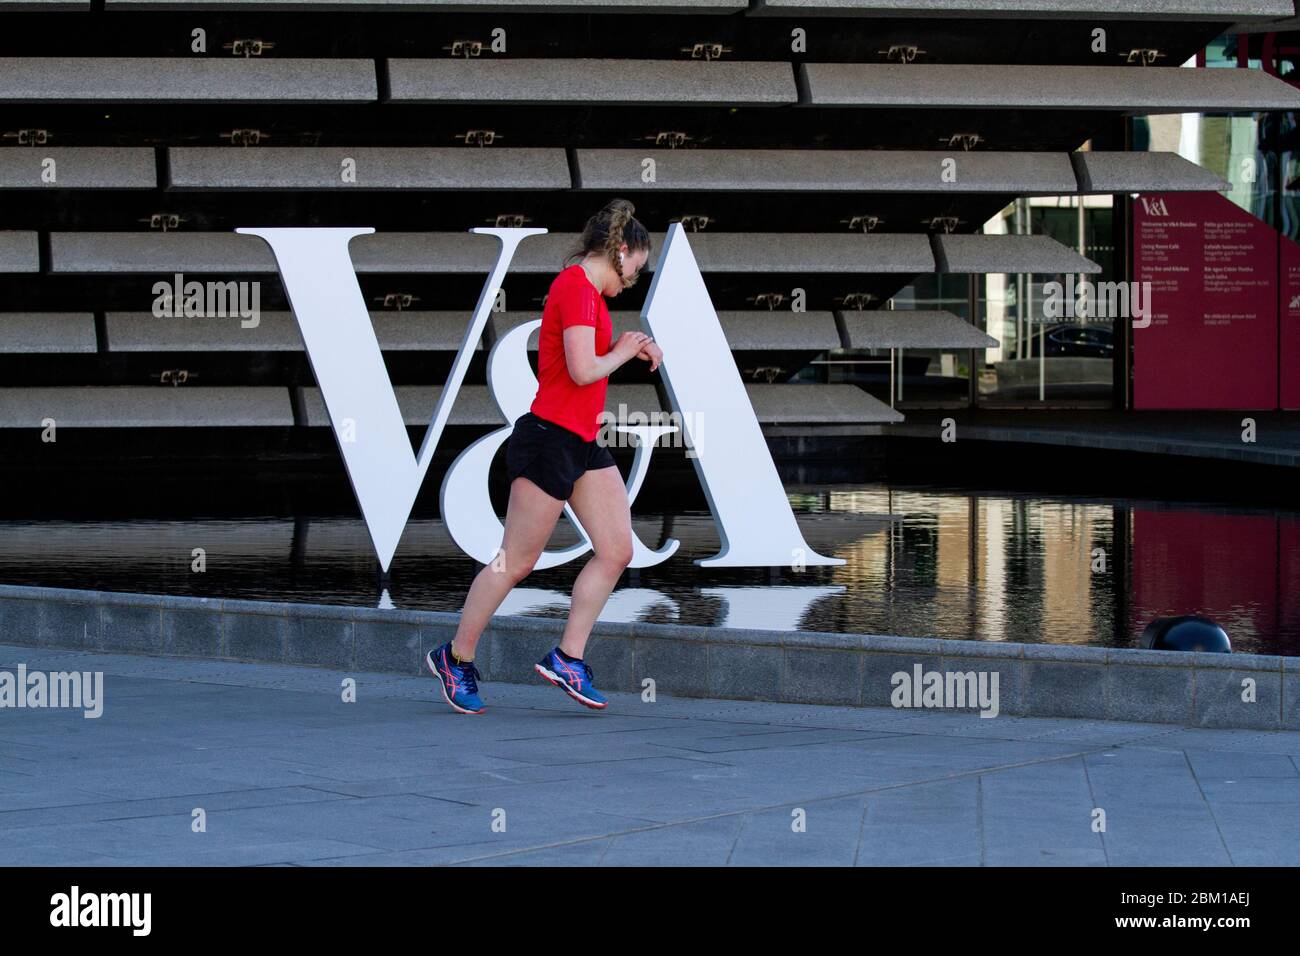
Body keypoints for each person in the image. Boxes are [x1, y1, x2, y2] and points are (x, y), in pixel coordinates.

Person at [428, 198, 663, 714]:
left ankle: (567, 658)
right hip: (548, 439)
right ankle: (455, 657)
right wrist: (625, 350)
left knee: (617, 550)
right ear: (619, 251)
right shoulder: (576, 288)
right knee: (517, 561)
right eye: (636, 268)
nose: (634, 279)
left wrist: (625, 343)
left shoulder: (593, 297)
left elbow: (585, 365)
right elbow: (582, 370)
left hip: (579, 439)